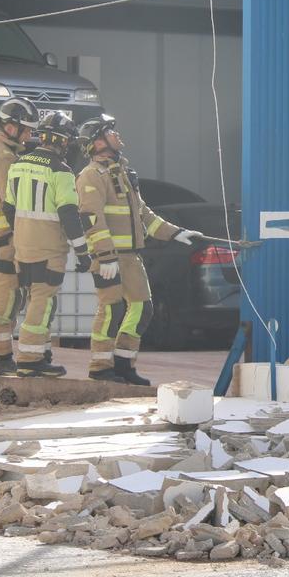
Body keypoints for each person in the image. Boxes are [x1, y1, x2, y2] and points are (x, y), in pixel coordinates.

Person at [75, 114, 202, 385]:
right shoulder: (90, 176)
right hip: (109, 258)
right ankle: (100, 367)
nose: (118, 135)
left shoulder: (122, 173)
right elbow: (92, 219)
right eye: (111, 131)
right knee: (111, 310)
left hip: (131, 257)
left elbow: (144, 215)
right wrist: (105, 256)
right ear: (98, 143)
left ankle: (123, 364)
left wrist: (176, 233)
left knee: (142, 308)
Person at [3, 112, 91, 377]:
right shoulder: (61, 171)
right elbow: (69, 216)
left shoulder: (18, 164)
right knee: (43, 302)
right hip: (49, 249)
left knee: (35, 299)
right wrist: (83, 252)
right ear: (64, 142)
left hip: (23, 247)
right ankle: (30, 360)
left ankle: (41, 354)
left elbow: (9, 209)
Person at [0, 98, 39, 376]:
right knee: (7, 295)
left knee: (10, 294)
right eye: (25, 130)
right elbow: (11, 203)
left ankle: (0, 355)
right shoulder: (4, 157)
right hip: (5, 238)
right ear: (11, 127)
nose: (28, 135)